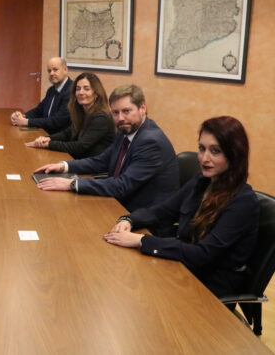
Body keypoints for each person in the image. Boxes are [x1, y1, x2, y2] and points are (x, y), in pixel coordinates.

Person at [103, 116, 258, 298]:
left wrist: (141, 240)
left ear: (234, 155)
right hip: (182, 268)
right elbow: (162, 210)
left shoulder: (243, 202)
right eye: (202, 148)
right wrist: (129, 220)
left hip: (208, 289)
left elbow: (202, 254)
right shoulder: (202, 182)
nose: (204, 158)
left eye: (215, 151)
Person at [35, 84, 178, 212]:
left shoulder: (151, 142)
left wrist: (73, 184)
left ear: (143, 108)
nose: (120, 118)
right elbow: (102, 161)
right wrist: (64, 166)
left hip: (144, 218)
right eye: (115, 113)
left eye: (126, 111)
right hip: (119, 204)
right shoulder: (125, 131)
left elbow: (122, 186)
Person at [25, 72, 114, 159]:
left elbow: (79, 146)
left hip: (93, 166)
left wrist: (48, 144)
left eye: (86, 89)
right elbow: (67, 133)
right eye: (78, 89)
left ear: (96, 93)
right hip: (80, 161)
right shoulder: (83, 112)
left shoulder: (101, 118)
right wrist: (46, 139)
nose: (81, 92)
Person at [11, 57, 72, 134]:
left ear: (65, 70)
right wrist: (23, 116)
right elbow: (39, 110)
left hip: (59, 137)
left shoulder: (71, 91)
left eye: (55, 70)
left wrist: (27, 122)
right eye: (49, 71)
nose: (51, 73)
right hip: (45, 133)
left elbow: (57, 121)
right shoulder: (51, 90)